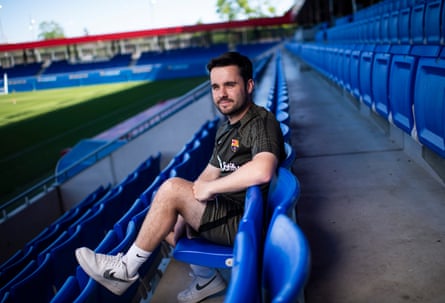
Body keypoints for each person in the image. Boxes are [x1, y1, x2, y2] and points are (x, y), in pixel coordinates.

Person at [75, 51, 285, 302]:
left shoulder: (261, 122)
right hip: (230, 211)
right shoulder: (227, 127)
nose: (222, 94)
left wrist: (209, 190)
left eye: (230, 84)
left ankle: (124, 270)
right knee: (162, 205)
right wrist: (194, 197)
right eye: (215, 87)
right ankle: (205, 278)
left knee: (171, 190)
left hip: (243, 222)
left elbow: (263, 169)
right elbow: (209, 171)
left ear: (249, 85)